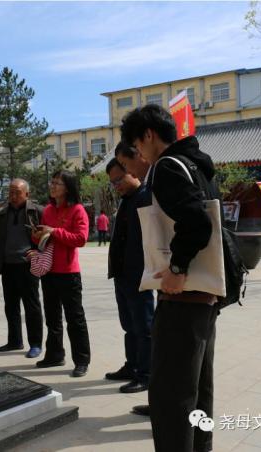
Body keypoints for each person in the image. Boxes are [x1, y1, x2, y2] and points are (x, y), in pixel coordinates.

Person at [121, 104, 219, 452]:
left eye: (137, 144)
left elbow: (198, 223)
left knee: (170, 394)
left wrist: (177, 268)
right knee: (197, 389)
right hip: (207, 294)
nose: (139, 153)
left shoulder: (167, 167)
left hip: (183, 297)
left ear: (148, 135)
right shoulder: (197, 163)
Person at [31, 170, 91, 378]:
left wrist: (54, 231)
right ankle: (55, 354)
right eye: (52, 182)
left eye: (58, 183)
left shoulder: (77, 210)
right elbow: (46, 239)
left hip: (68, 272)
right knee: (52, 317)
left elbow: (81, 239)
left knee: (75, 319)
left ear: (68, 187)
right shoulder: (48, 210)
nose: (53, 185)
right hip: (49, 271)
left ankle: (82, 360)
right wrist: (38, 235)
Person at [105, 150, 154, 397]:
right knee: (129, 325)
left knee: (144, 326)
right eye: (112, 182)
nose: (116, 186)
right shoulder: (127, 200)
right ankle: (132, 365)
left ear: (132, 172)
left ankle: (146, 374)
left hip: (140, 275)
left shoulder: (146, 197)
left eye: (119, 179)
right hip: (123, 275)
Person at [0, 179, 44, 358]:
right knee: (11, 306)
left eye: (17, 192)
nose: (13, 196)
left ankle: (36, 343)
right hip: (8, 266)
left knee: (32, 306)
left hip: (28, 266)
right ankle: (15, 340)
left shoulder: (37, 211)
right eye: (10, 192)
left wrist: (38, 253)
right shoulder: (2, 213)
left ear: (27, 194)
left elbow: (47, 238)